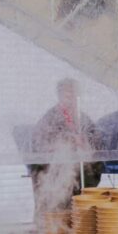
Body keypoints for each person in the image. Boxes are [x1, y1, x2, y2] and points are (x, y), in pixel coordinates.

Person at [28, 78, 104, 217]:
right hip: (55, 171)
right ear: (60, 95)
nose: (71, 98)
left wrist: (85, 142)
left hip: (79, 171)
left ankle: (80, 218)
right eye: (67, 94)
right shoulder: (50, 118)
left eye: (74, 94)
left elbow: (96, 142)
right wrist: (67, 141)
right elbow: (39, 145)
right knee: (58, 208)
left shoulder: (83, 118)